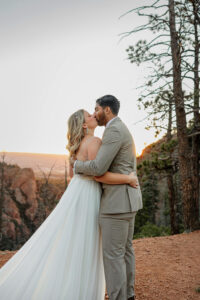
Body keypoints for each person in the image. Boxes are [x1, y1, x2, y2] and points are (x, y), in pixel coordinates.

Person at [0, 108, 138, 300]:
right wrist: (127, 179)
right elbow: (99, 174)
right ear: (84, 125)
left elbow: (74, 176)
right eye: (89, 116)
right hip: (89, 195)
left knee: (75, 241)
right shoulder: (94, 142)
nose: (93, 116)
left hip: (76, 194)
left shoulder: (76, 145)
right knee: (87, 243)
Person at [74, 95, 143, 300]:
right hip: (128, 200)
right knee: (126, 251)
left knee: (113, 256)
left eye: (96, 109)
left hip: (116, 204)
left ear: (107, 110)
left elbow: (98, 168)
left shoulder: (113, 130)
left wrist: (76, 165)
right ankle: (128, 295)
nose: (94, 113)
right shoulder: (120, 128)